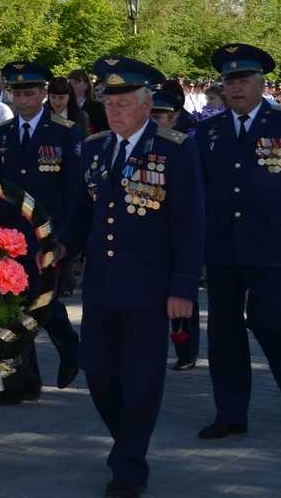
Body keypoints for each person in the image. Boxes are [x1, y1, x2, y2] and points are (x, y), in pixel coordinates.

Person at [64, 56, 204, 498]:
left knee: (142, 380)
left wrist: (183, 287)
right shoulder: (94, 148)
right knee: (99, 374)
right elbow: (80, 213)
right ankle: (127, 443)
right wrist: (53, 250)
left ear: (147, 104)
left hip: (150, 289)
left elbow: (189, 223)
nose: (115, 111)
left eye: (124, 104)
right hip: (102, 286)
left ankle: (129, 465)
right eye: (109, 103)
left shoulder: (175, 149)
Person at [195, 44, 281, 440]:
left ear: (260, 83)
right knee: (224, 333)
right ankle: (231, 413)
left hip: (272, 246)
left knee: (269, 324)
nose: (235, 89)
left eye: (243, 81)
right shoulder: (210, 131)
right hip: (221, 249)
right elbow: (196, 192)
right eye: (228, 82)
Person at [0, 61, 83, 390]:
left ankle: (70, 347)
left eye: (30, 93)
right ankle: (29, 373)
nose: (23, 99)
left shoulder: (65, 131)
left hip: (47, 234)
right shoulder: (1, 134)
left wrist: (67, 237)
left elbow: (75, 191)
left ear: (43, 93)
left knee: (43, 299)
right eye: (17, 93)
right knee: (16, 300)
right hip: (10, 233)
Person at [150, 88, 202, 371]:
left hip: (177, 235)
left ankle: (187, 349)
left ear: (174, 117)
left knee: (182, 294)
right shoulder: (140, 144)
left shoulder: (184, 146)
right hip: (150, 236)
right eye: (151, 114)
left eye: (161, 116)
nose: (155, 120)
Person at [69, 68, 109, 134]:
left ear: (86, 85)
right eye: (70, 83)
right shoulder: (63, 104)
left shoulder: (97, 106)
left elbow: (104, 130)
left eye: (76, 82)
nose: (71, 85)